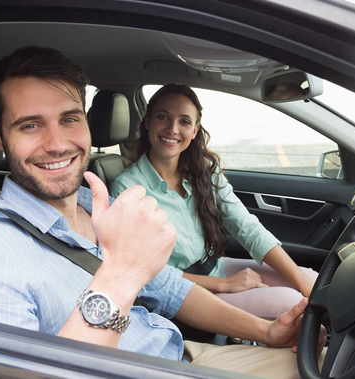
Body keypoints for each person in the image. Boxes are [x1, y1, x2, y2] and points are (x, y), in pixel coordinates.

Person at [0, 46, 325, 379]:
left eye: (69, 119)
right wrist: (121, 275)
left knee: (322, 360)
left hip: (176, 353)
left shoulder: (94, 203)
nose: (57, 143)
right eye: (30, 125)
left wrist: (266, 331)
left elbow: (170, 289)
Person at [110, 84, 319, 319]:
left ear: (195, 129)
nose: (172, 129)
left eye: (184, 122)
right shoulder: (127, 188)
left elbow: (246, 227)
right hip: (179, 291)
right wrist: (223, 285)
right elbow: (143, 271)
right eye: (162, 117)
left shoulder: (204, 171)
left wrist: (302, 282)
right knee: (293, 304)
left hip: (215, 268)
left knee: (311, 280)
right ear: (147, 121)